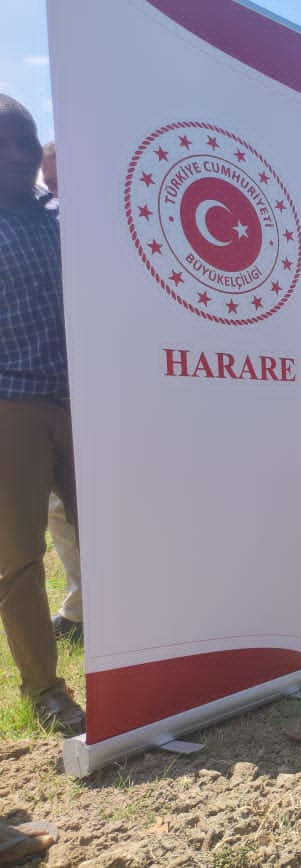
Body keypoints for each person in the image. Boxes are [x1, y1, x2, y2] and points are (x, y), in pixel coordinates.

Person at [0, 94, 85, 733]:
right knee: (19, 556)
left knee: (114, 540)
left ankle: (136, 659)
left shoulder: (66, 219)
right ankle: (46, 690)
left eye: (19, 146)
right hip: (12, 408)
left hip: (85, 403)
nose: (14, 160)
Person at [37, 141, 84, 645]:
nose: (56, 197)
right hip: (55, 384)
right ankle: (81, 606)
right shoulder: (43, 231)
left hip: (108, 387)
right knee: (58, 507)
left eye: (64, 184)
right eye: (49, 187)